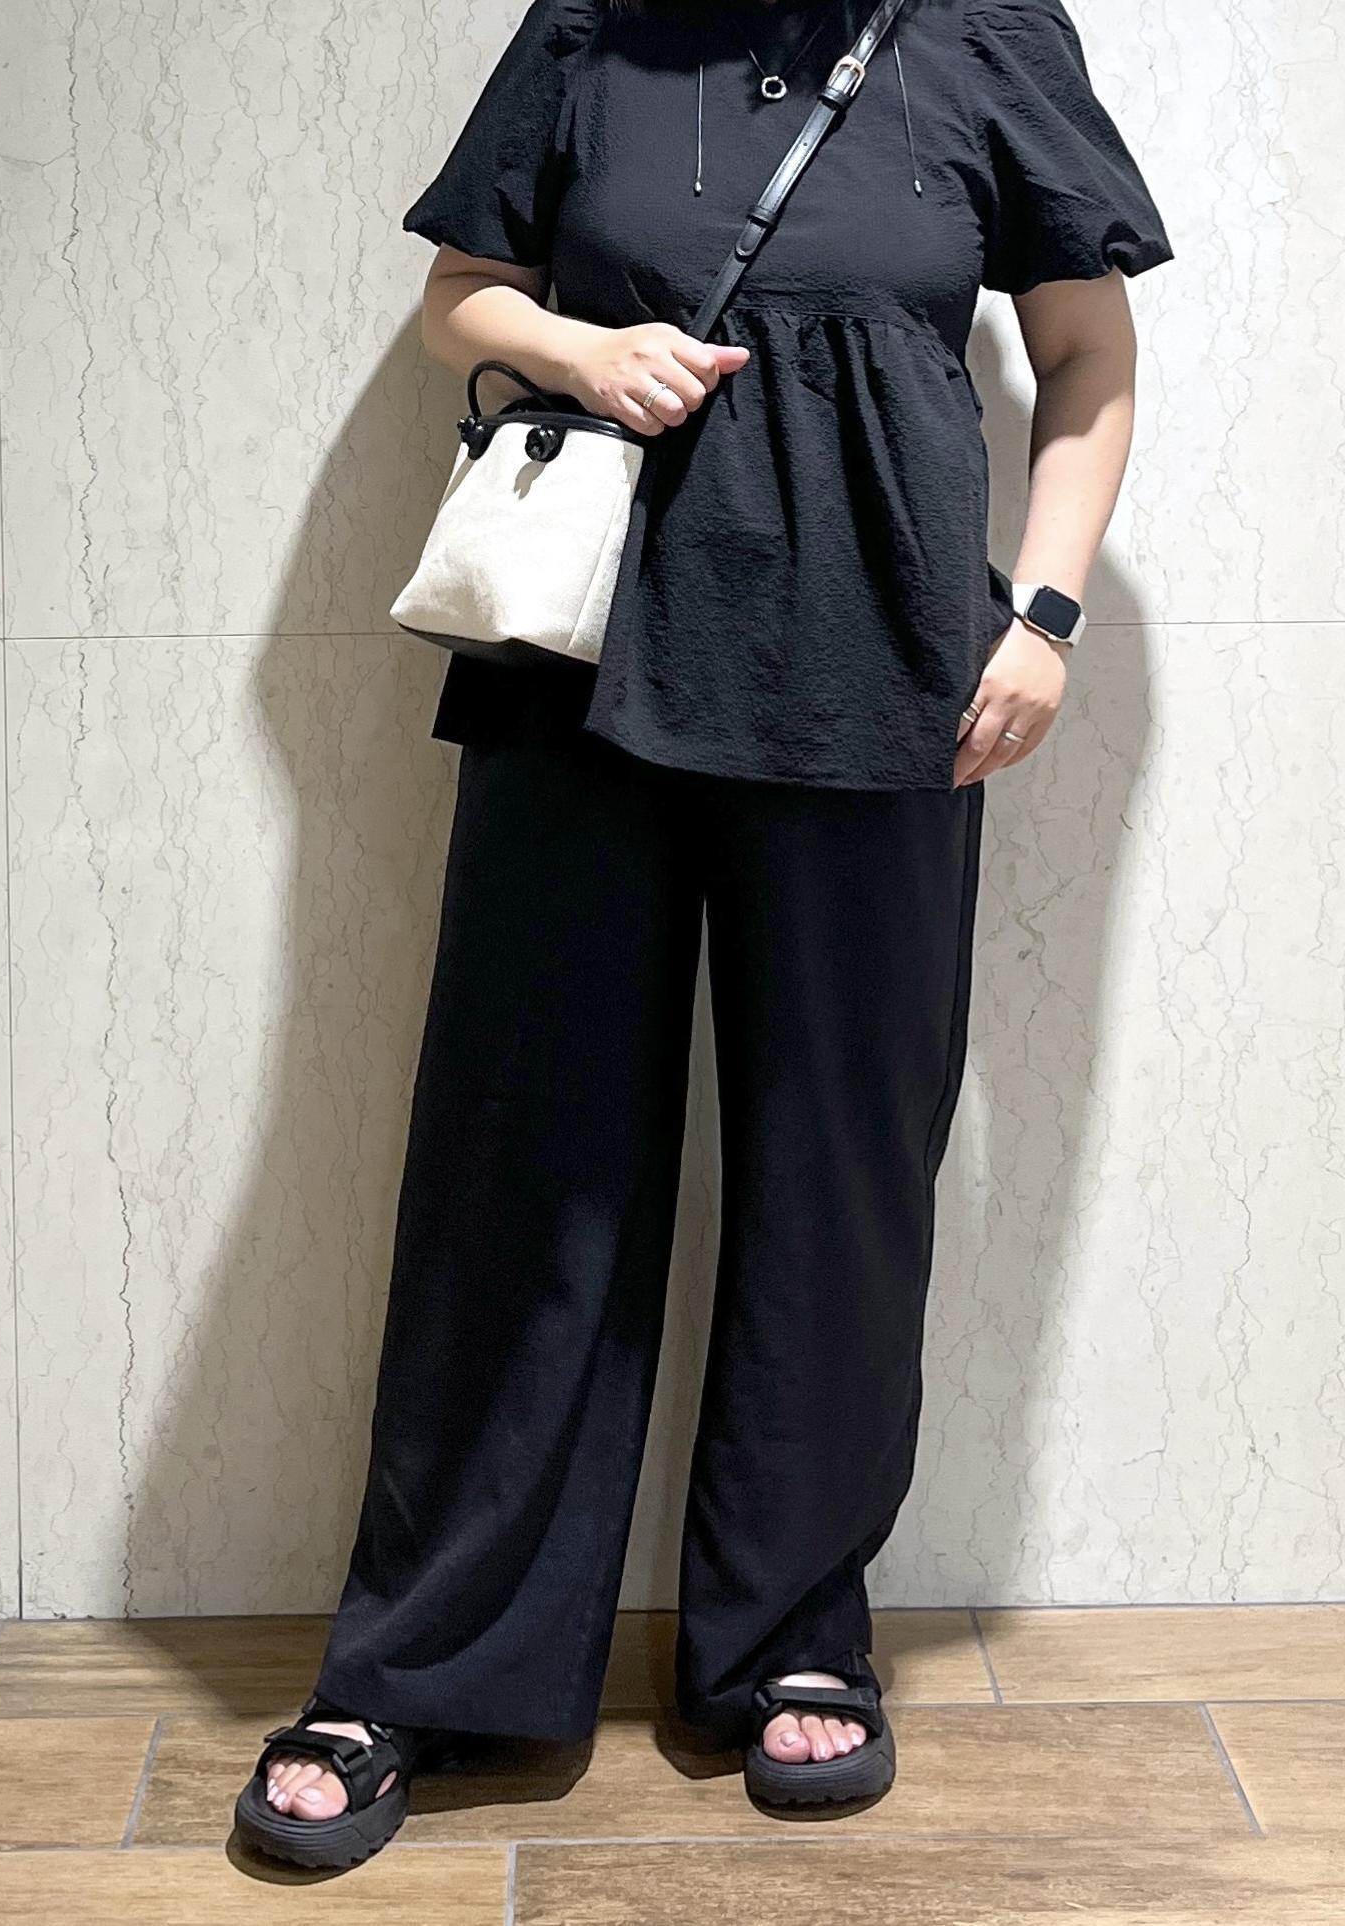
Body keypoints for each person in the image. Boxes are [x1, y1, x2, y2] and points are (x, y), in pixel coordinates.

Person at [234, 0, 1173, 1868]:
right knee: (522, 1168)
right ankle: (427, 1661)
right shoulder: (595, 27)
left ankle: (792, 1633)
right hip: (584, 670)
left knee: (844, 1173)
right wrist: (584, 346)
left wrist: (1047, 622)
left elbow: (1088, 354)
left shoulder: (985, 36)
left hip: (887, 682)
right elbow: (459, 301)